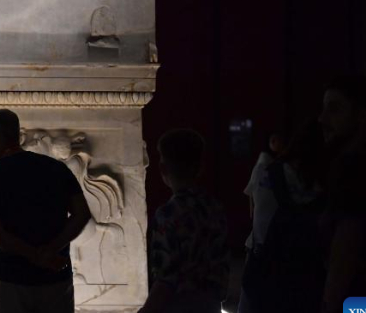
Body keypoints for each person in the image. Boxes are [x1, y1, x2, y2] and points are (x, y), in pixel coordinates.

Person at [0, 109, 91, 313]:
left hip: (9, 279)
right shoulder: (57, 169)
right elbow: (81, 214)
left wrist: (35, 256)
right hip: (55, 274)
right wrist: (50, 251)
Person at [239, 120, 327, 313]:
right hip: (302, 269)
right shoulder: (324, 185)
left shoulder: (266, 172)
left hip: (262, 261)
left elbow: (254, 213)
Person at [140, 129, 229, 313]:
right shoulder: (215, 208)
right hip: (210, 306)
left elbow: (166, 280)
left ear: (163, 168)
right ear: (200, 167)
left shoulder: (168, 214)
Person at [318, 75, 366, 312]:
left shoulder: (352, 168)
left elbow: (346, 247)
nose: (322, 119)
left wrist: (330, 304)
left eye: (334, 109)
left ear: (363, 116)